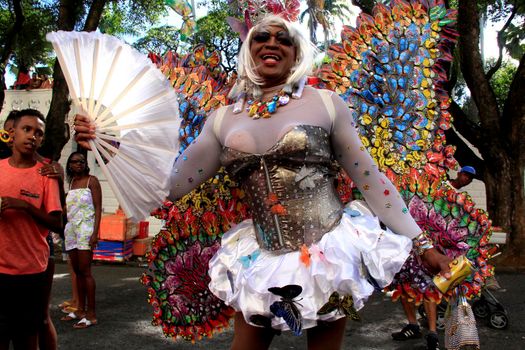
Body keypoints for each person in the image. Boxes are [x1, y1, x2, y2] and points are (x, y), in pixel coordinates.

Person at [74, 15, 451, 349]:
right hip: (261, 258)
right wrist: (110, 145)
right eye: (261, 37)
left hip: (331, 253)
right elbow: (172, 187)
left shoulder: (325, 103)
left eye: (283, 39)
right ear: (249, 50)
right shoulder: (223, 119)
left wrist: (422, 242)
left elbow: (370, 178)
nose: (272, 43)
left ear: (295, 52)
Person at [391, 165, 478, 350]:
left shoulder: (461, 200)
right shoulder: (438, 188)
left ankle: (432, 333)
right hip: (408, 242)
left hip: (431, 249)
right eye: (466, 176)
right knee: (404, 284)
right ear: (460, 174)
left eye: (470, 178)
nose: (467, 180)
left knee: (428, 287)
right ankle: (413, 325)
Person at [0, 109, 62, 350]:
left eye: (38, 133)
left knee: (27, 337)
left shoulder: (47, 174)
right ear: (11, 133)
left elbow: (57, 223)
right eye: (27, 129)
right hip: (1, 271)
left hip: (32, 271)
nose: (32, 136)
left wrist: (24, 206)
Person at [60, 151, 101, 329]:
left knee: (86, 272)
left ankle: (91, 315)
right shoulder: (71, 182)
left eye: (82, 161)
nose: (79, 164)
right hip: (71, 230)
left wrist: (95, 233)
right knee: (76, 271)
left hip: (85, 229)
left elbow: (98, 208)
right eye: (75, 161)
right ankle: (80, 310)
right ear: (70, 165)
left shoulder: (92, 181)